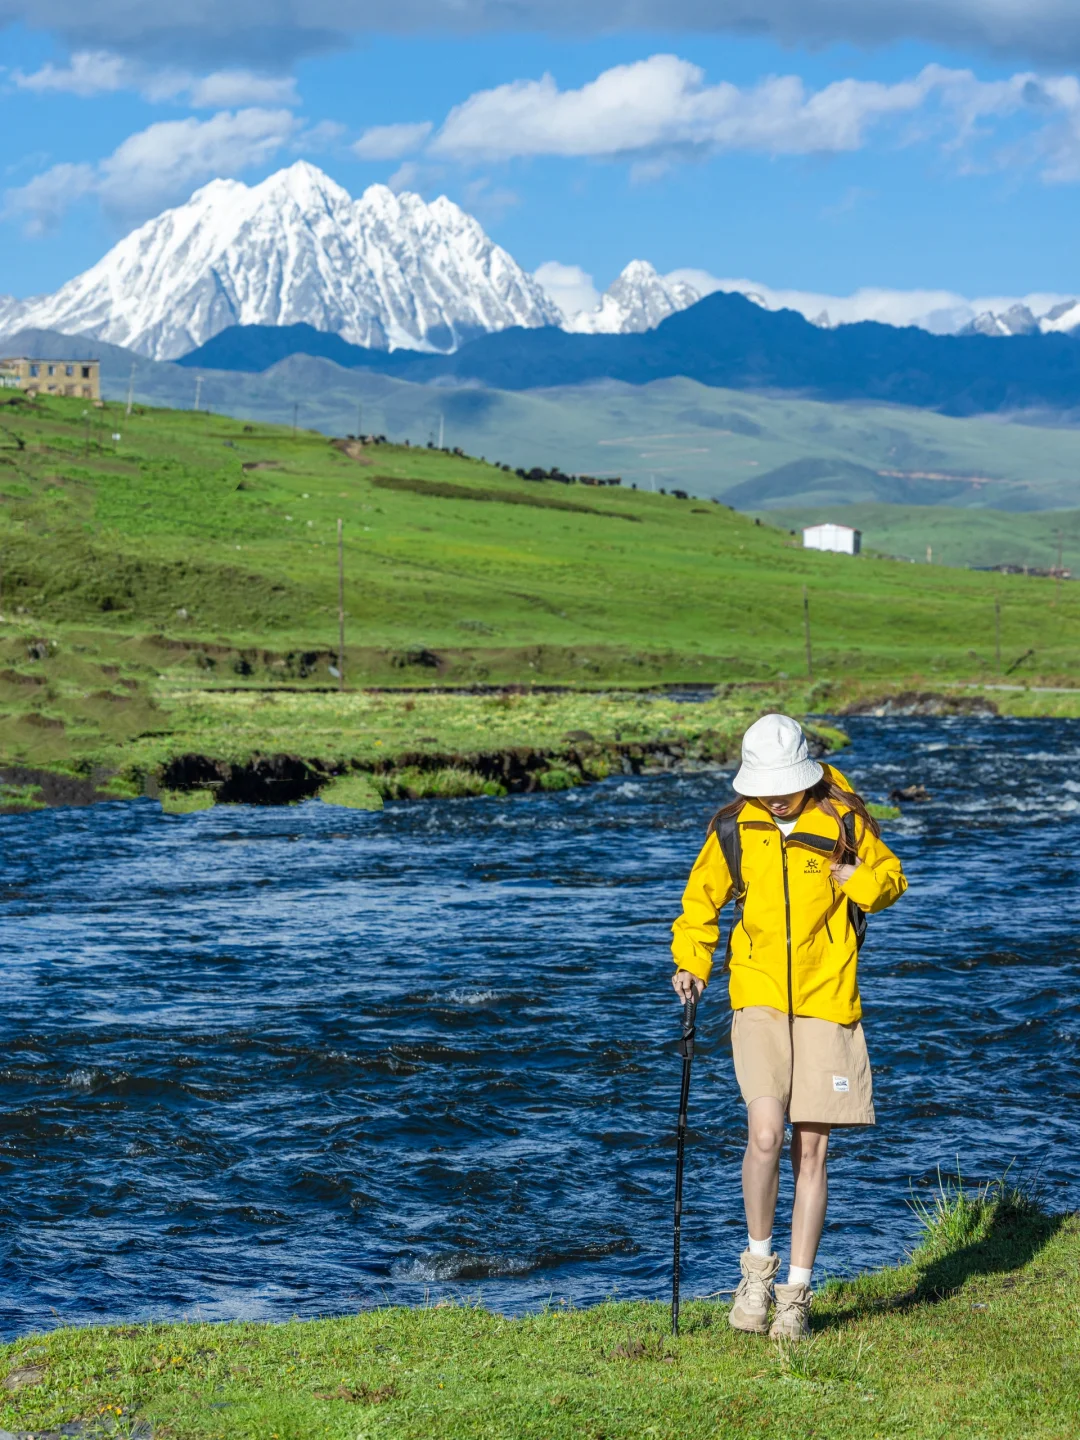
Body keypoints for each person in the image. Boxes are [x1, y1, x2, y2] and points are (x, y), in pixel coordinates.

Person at [670, 713, 907, 1340]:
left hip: (828, 997)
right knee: (766, 1132)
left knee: (812, 1148)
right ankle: (756, 1272)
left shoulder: (844, 820)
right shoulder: (732, 829)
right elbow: (700, 904)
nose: (775, 794)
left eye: (785, 781)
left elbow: (892, 881)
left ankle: (796, 1293)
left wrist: (861, 881)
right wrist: (691, 963)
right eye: (764, 783)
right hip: (758, 995)